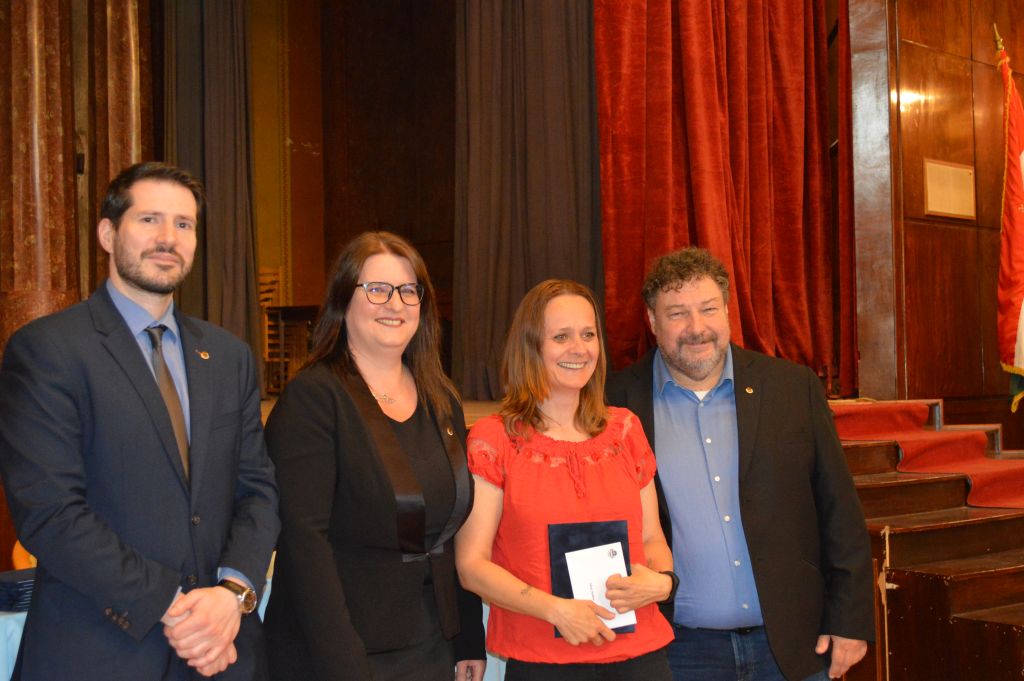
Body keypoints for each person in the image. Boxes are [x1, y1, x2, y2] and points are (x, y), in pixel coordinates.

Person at [0, 162, 280, 680]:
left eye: (183, 224)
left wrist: (231, 593)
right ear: (108, 234)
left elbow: (258, 490)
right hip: (100, 652)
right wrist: (173, 607)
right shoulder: (48, 350)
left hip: (221, 651)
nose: (168, 238)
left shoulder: (229, 356)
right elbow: (50, 512)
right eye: (149, 219)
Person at [605, 247, 874, 681]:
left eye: (708, 309)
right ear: (652, 322)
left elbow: (839, 510)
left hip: (792, 645)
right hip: (676, 652)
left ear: (728, 310)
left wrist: (850, 619)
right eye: (677, 314)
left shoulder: (792, 389)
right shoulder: (614, 405)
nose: (696, 328)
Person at [262, 231, 486, 681]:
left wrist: (467, 637)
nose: (395, 304)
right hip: (337, 650)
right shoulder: (313, 398)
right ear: (343, 300)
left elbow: (447, 533)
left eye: (408, 290)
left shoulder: (440, 398)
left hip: (431, 644)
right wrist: (344, 664)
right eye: (377, 289)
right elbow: (304, 546)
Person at [456, 279, 676, 681]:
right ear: (530, 347)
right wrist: (555, 610)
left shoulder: (626, 429)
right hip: (543, 661)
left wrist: (661, 583)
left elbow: (652, 541)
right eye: (561, 337)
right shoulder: (494, 440)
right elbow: (471, 565)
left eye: (588, 334)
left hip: (640, 658)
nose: (580, 348)